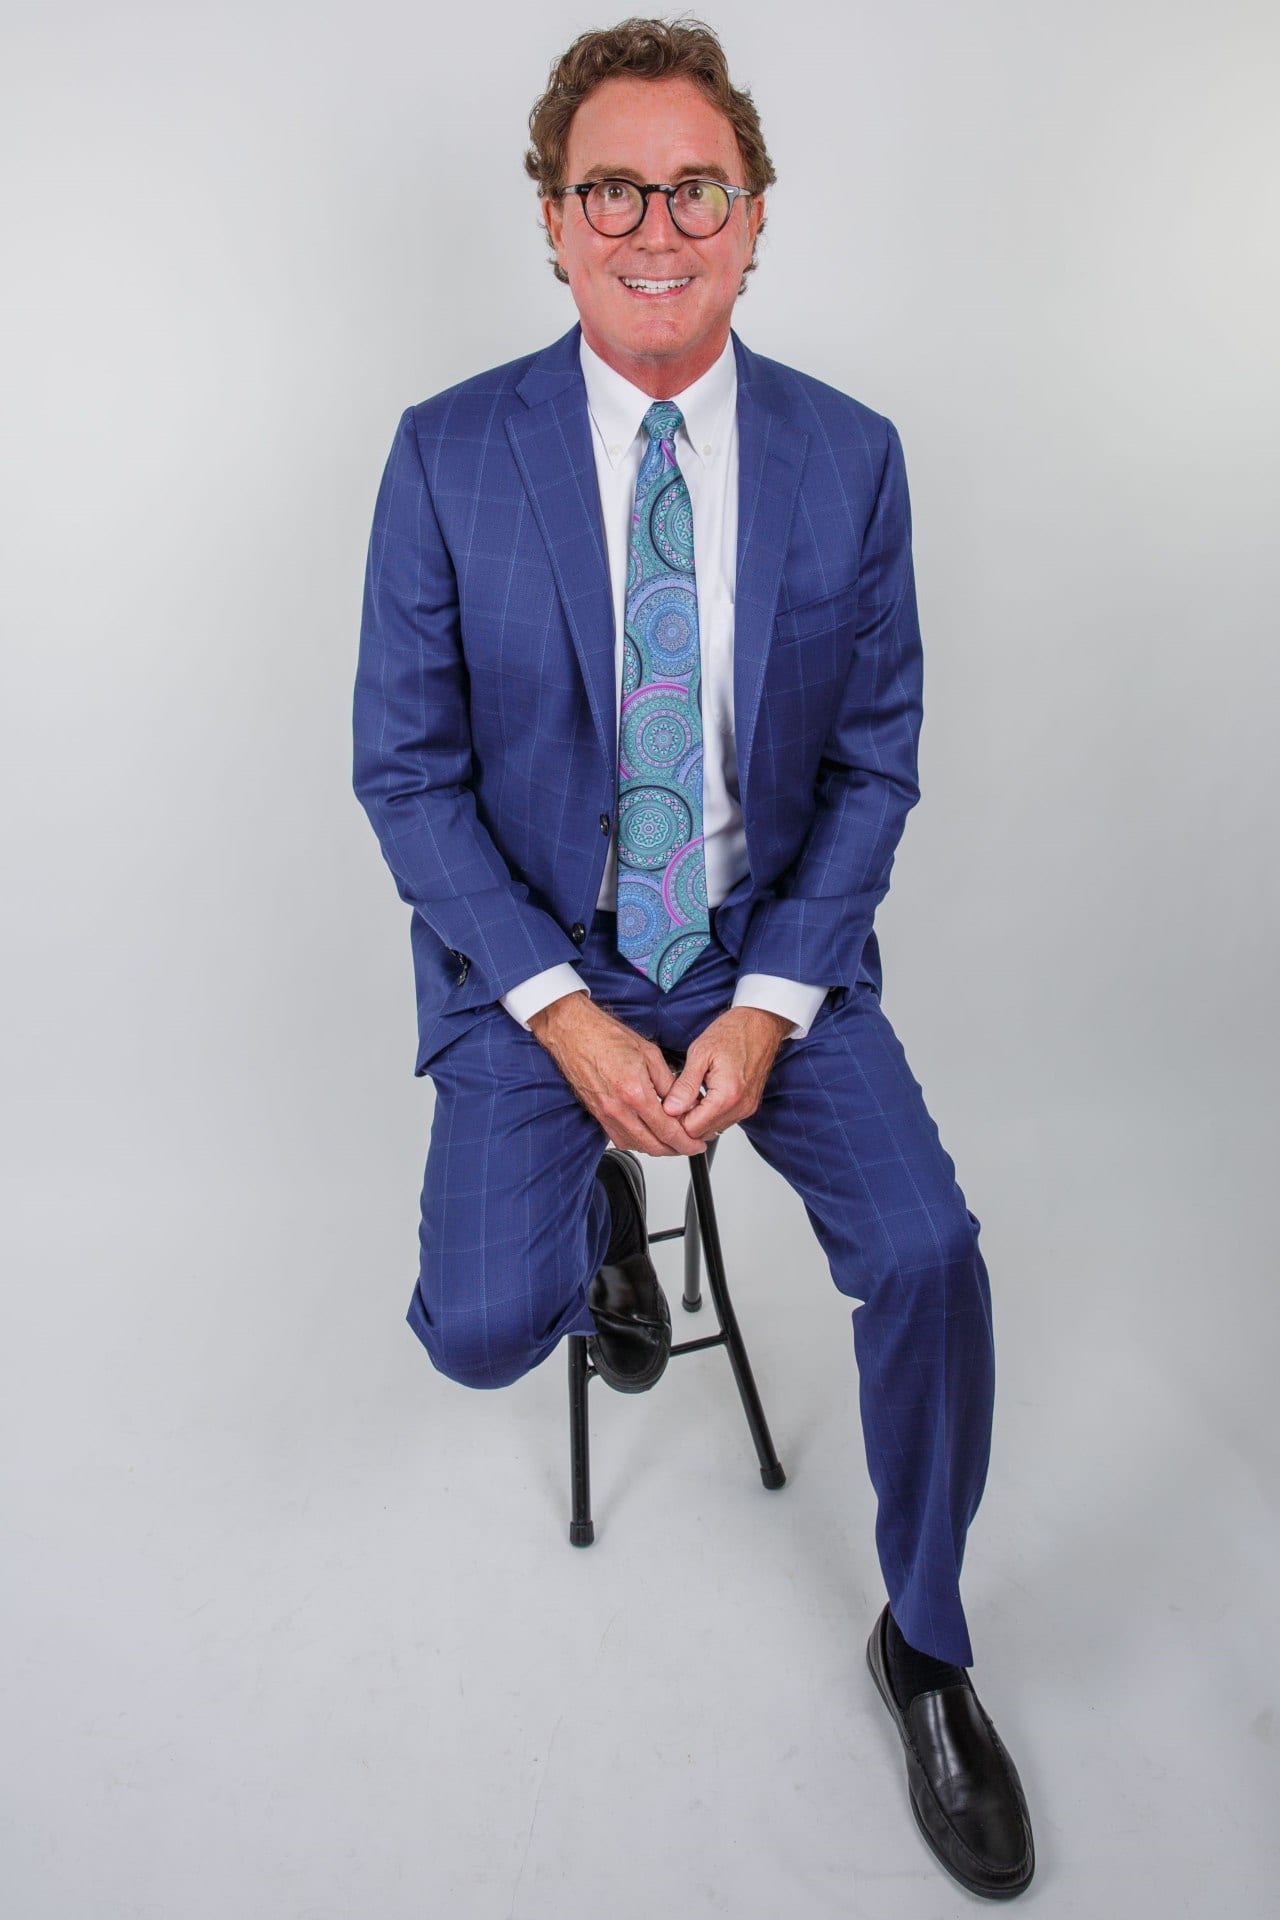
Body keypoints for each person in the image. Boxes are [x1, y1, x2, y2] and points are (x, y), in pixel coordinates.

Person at [352, 16, 1034, 1898]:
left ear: (753, 220)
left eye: (696, 188)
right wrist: (562, 1022)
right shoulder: (444, 455)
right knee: (481, 1335)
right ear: (556, 225)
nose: (657, 224)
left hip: (768, 958)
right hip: (543, 964)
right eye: (613, 189)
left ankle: (929, 1645)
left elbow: (878, 759)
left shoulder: (851, 456)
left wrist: (769, 1000)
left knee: (929, 1252)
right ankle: (590, 1237)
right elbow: (404, 777)